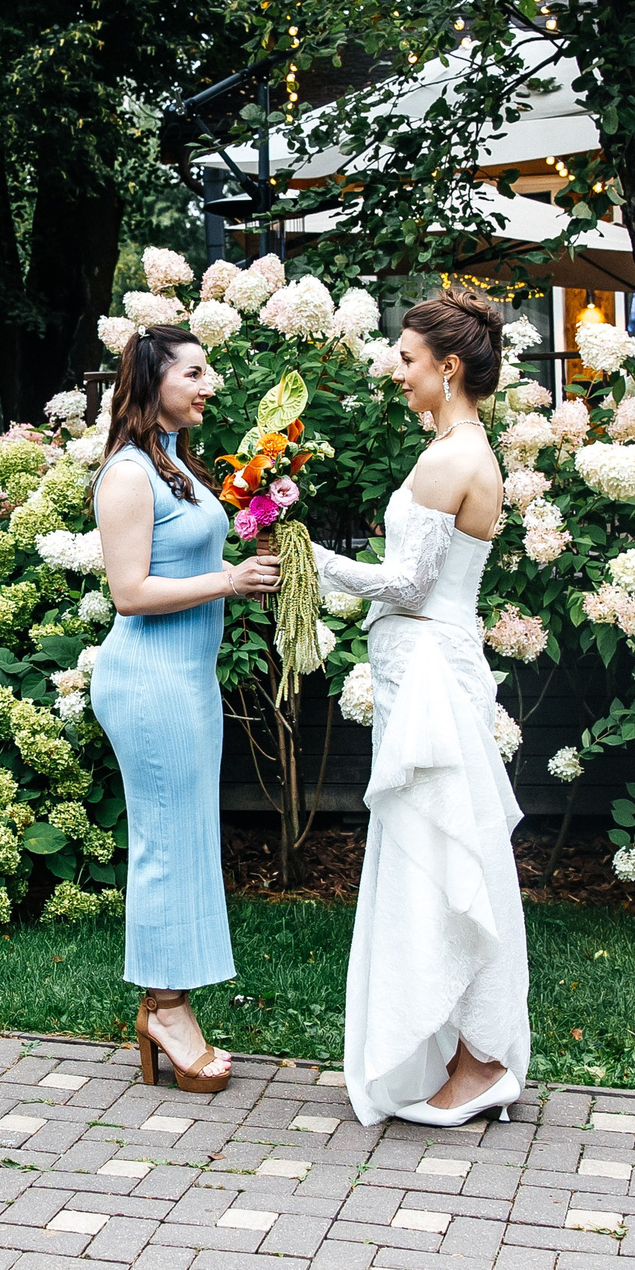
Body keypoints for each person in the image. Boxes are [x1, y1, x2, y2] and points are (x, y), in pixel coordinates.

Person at [309, 286, 530, 1128]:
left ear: (447, 367)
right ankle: (465, 1051)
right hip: (429, 670)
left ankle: (478, 1062)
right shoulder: (460, 447)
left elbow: (409, 585)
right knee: (442, 855)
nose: (394, 371)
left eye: (405, 360)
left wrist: (314, 558)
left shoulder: (452, 458)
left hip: (432, 673)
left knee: (444, 858)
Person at [92, 324, 280, 1093]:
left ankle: (168, 999)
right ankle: (166, 1011)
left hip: (186, 680)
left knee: (184, 841)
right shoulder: (129, 475)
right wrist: (229, 582)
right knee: (166, 846)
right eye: (195, 373)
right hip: (149, 681)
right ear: (152, 379)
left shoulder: (174, 463)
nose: (211, 385)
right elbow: (130, 593)